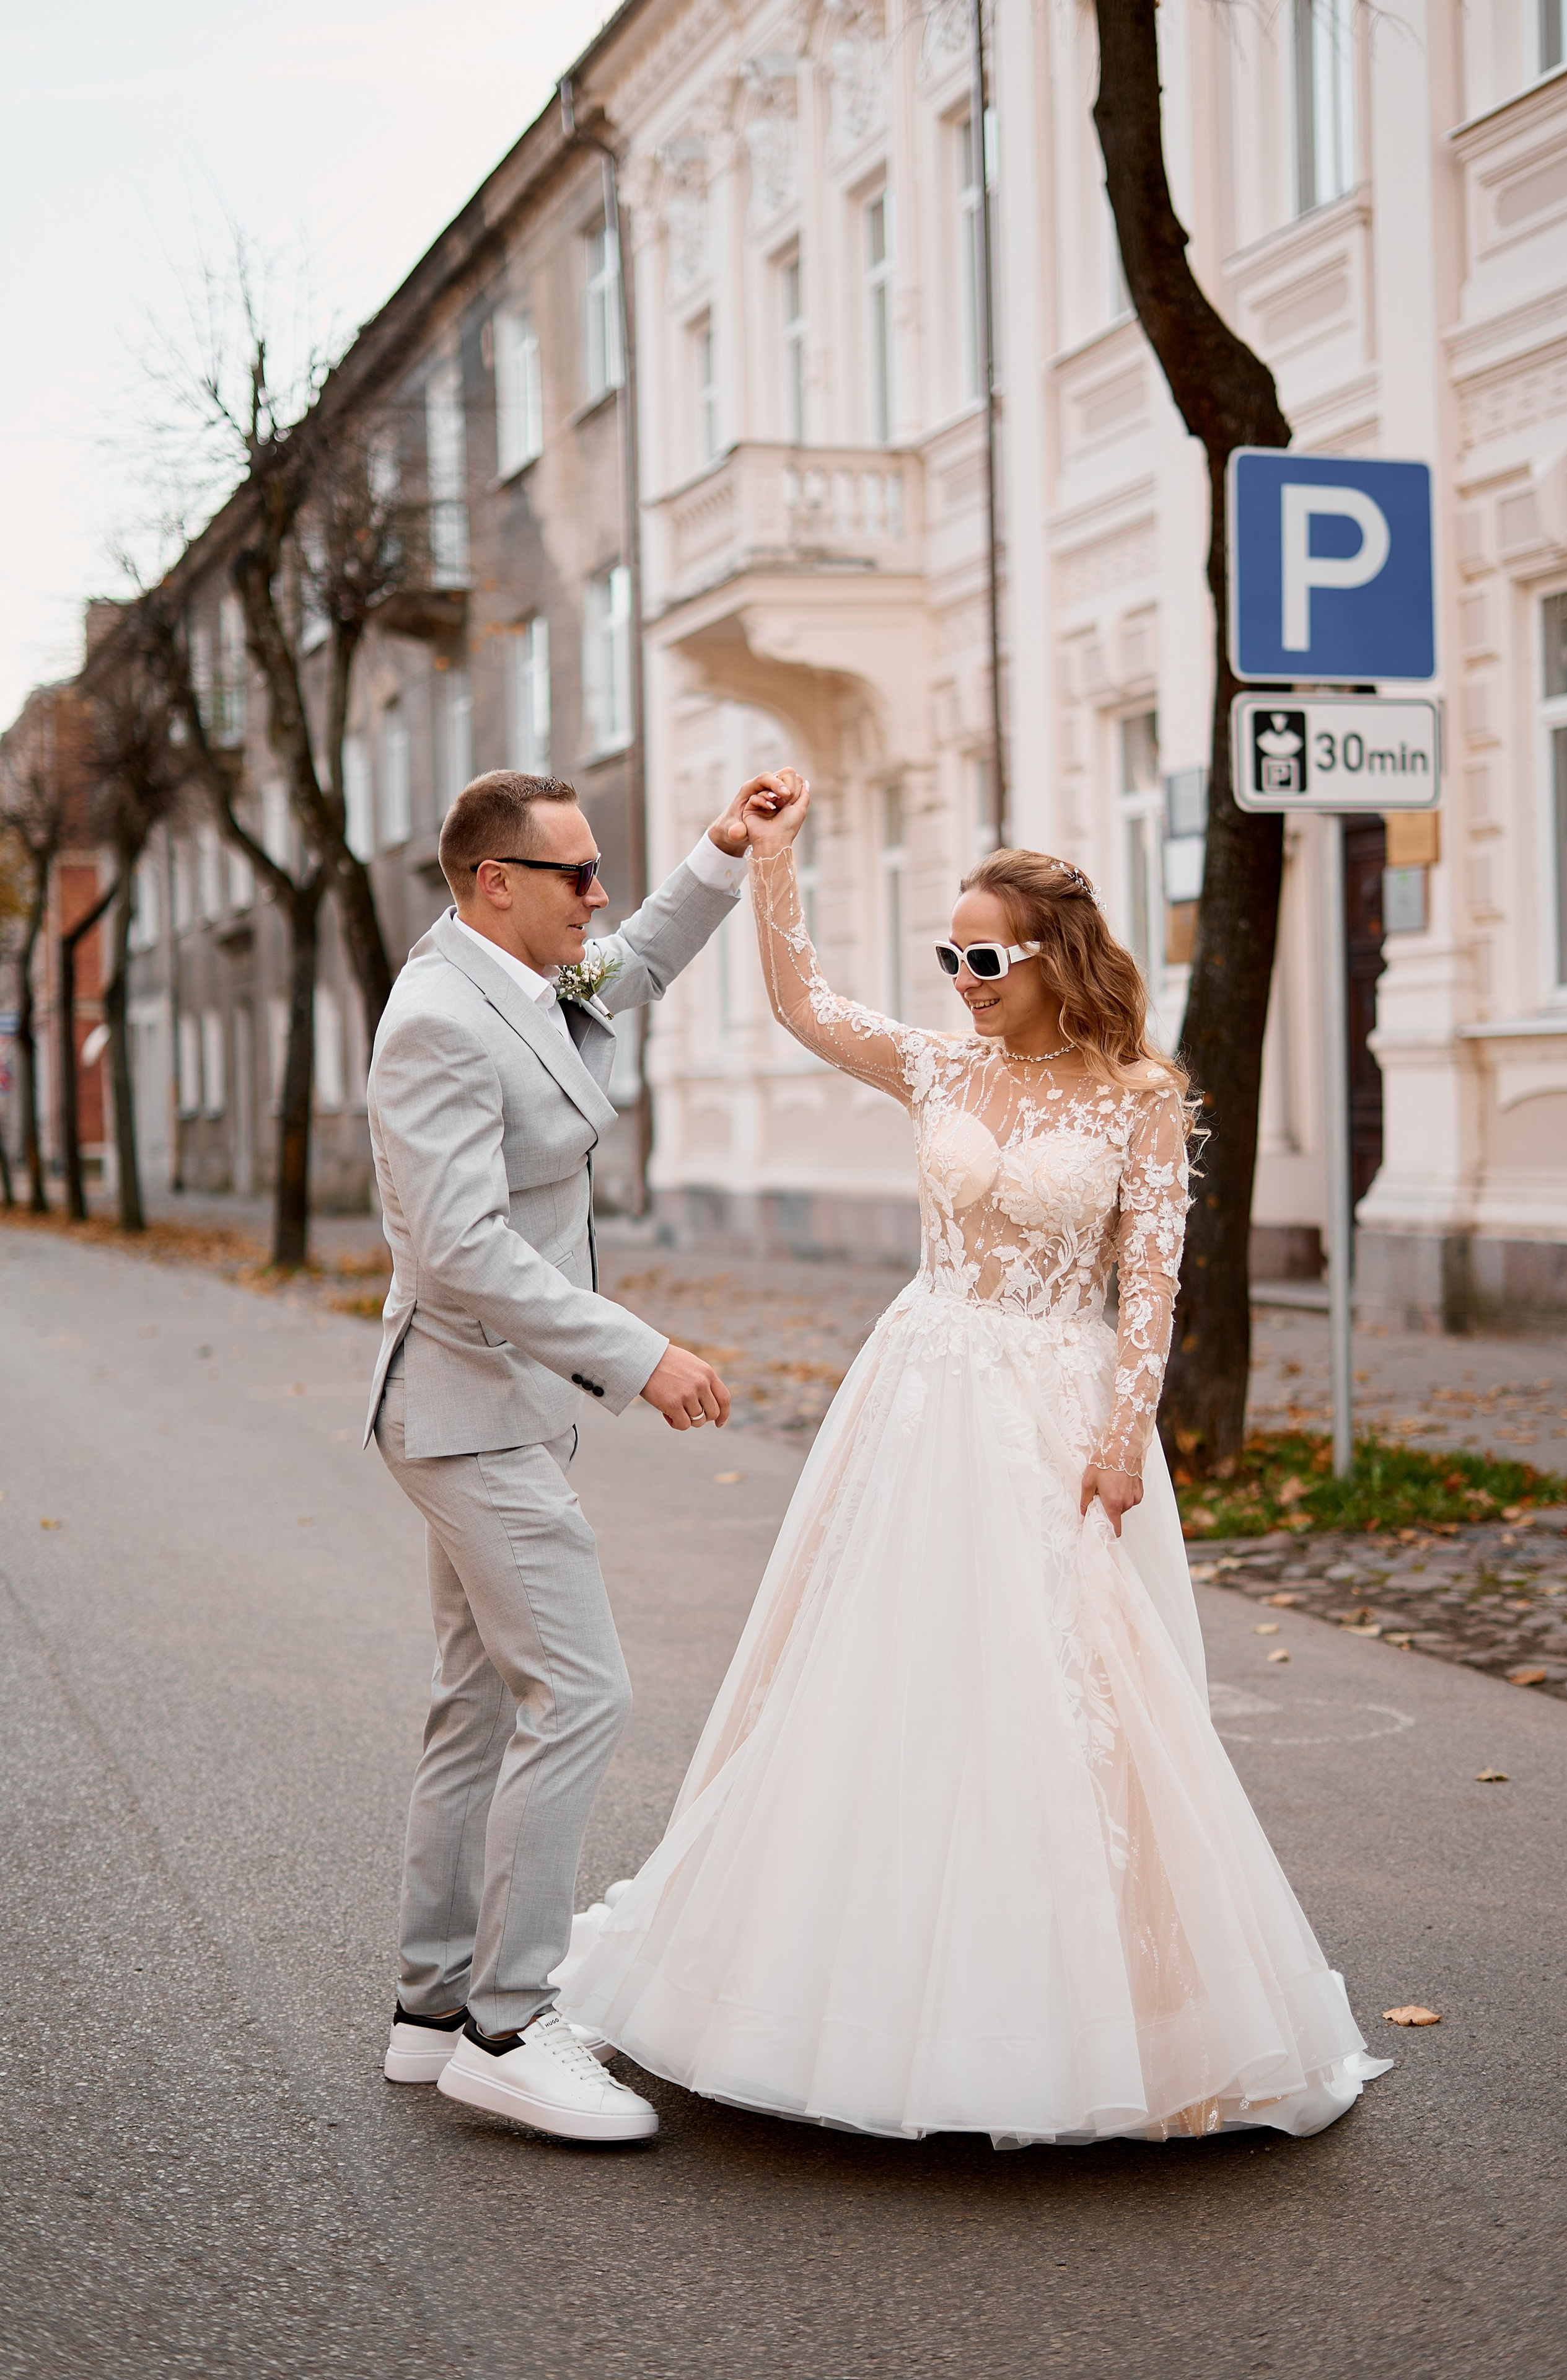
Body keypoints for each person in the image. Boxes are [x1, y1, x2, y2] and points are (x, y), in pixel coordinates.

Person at [557, 774, 1391, 2148]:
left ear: (1057, 955)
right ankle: (839, 1995)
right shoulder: (941, 1067)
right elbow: (804, 1004)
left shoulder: (1136, 1095)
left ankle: (1098, 2015)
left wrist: (1124, 1437)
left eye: (984, 957)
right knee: (884, 1671)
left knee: (1065, 1689)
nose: (961, 981)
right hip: (919, 1393)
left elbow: (1150, 1286)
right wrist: (771, 858)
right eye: (948, 957)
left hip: (1058, 1408)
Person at [365, 765, 789, 2146]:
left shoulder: (519, 976)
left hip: (494, 1406)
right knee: (583, 1694)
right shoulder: (439, 1018)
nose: (596, 896)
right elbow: (457, 1248)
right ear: (496, 882)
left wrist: (721, 854)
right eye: (573, 876)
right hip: (465, 1411)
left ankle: (432, 2020)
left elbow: (642, 956)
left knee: (478, 1704)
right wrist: (636, 1351)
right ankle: (509, 2022)